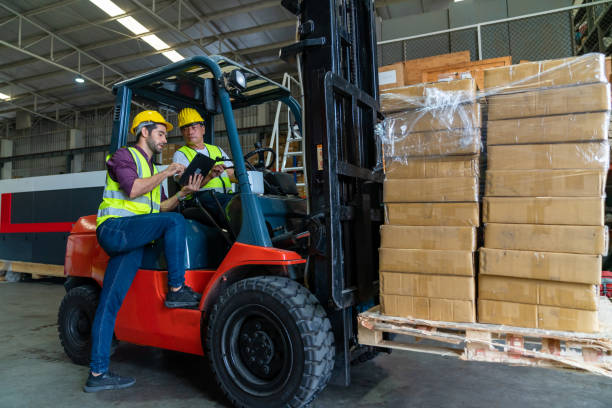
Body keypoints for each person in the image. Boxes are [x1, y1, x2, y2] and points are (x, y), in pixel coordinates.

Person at [84, 110, 204, 393]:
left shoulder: (153, 170)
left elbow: (160, 209)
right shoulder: (124, 157)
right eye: (161, 133)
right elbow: (134, 189)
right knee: (174, 222)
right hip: (115, 230)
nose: (165, 139)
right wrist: (166, 172)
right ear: (144, 132)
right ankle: (176, 289)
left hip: (133, 237)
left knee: (109, 303)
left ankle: (97, 374)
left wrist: (183, 192)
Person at [172, 108, 237, 222]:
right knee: (232, 206)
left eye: (193, 127)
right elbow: (187, 185)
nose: (190, 132)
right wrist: (210, 175)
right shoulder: (181, 154)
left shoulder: (217, 149)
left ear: (203, 129)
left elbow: (232, 174)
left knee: (245, 199)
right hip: (200, 198)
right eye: (185, 129)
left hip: (224, 195)